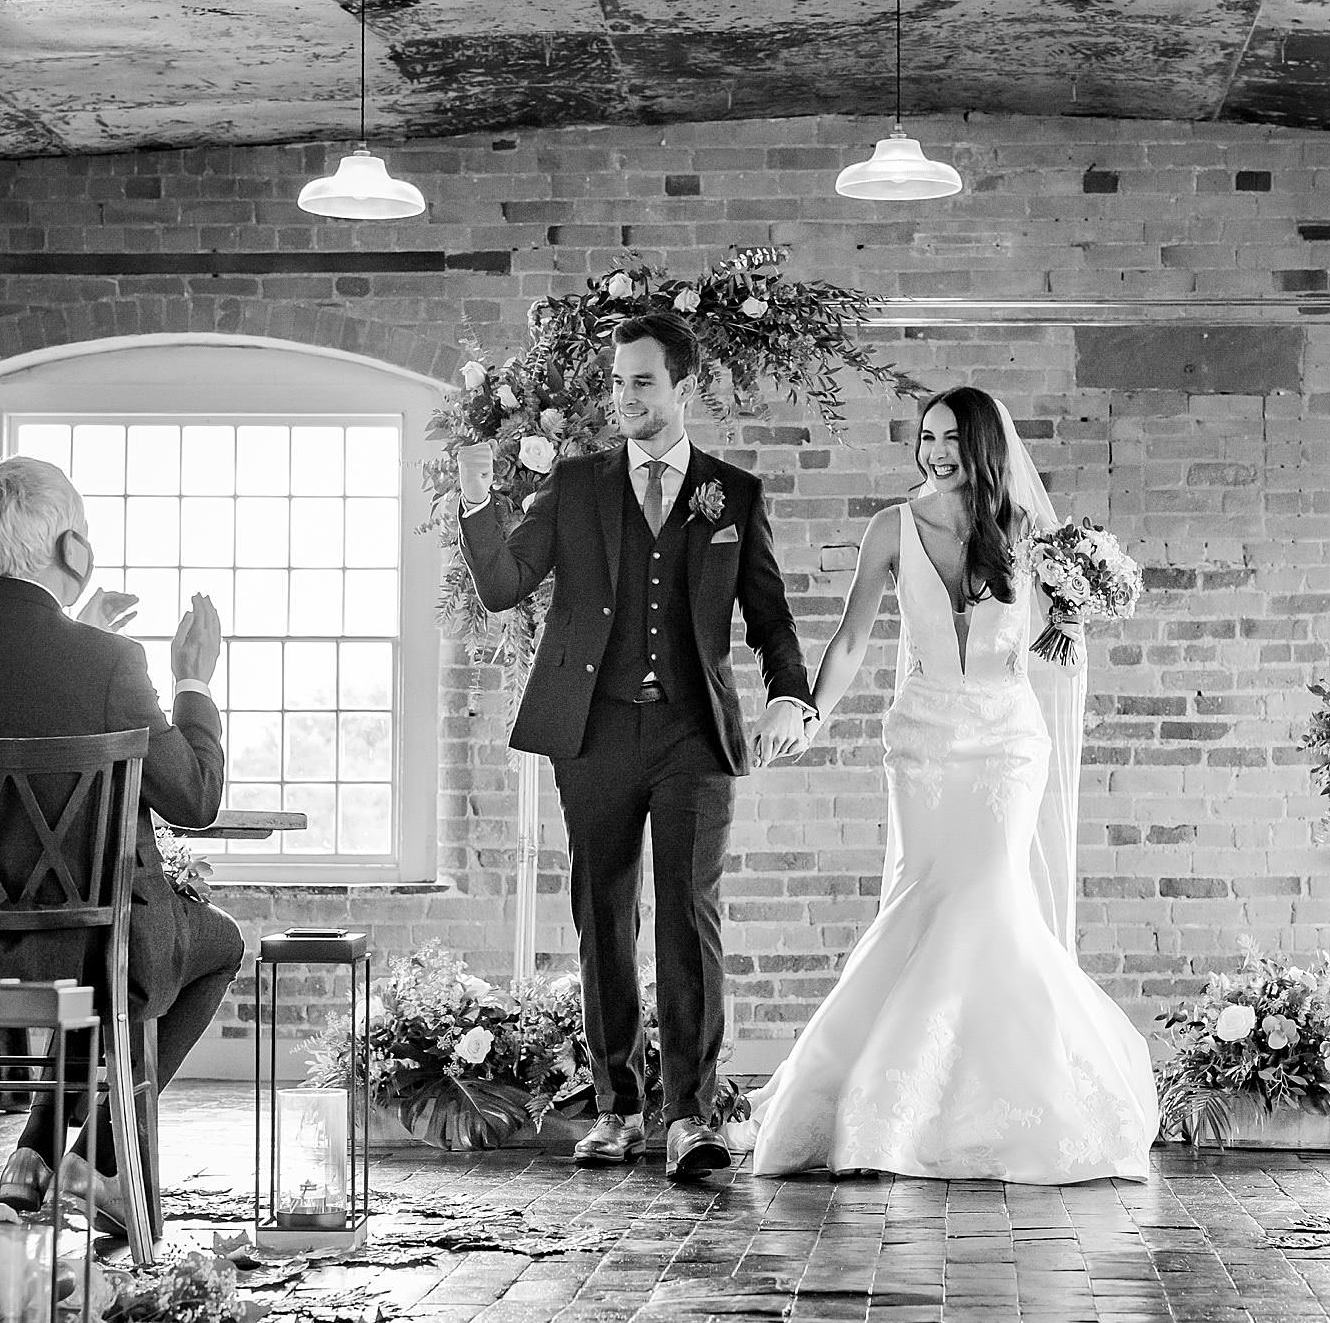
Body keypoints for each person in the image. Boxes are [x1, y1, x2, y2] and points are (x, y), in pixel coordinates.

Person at [746, 386, 1160, 1182]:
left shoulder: (1034, 535)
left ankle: (997, 1104)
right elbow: (853, 639)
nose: (935, 452)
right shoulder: (890, 529)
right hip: (924, 740)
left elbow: (1056, 646)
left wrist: (1078, 603)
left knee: (992, 902)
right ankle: (883, 1102)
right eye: (926, 437)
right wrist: (811, 714)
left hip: (1006, 743)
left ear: (982, 449)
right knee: (925, 902)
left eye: (950, 439)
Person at [455, 312, 815, 1180]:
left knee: (690, 918)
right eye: (616, 384)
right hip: (595, 733)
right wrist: (474, 499)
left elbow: (768, 620)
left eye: (641, 383)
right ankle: (617, 1109)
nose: (623, 399)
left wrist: (790, 698)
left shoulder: (733, 495)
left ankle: (690, 1115)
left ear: (681, 388)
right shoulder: (575, 485)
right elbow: (504, 588)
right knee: (602, 916)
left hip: (694, 732)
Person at [0, 455, 241, 1238]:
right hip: (96, 948)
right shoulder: (110, 661)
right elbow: (194, 800)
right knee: (217, 945)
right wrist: (195, 682)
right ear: (72, 549)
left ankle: (34, 1155)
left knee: (111, 960)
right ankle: (105, 1160)